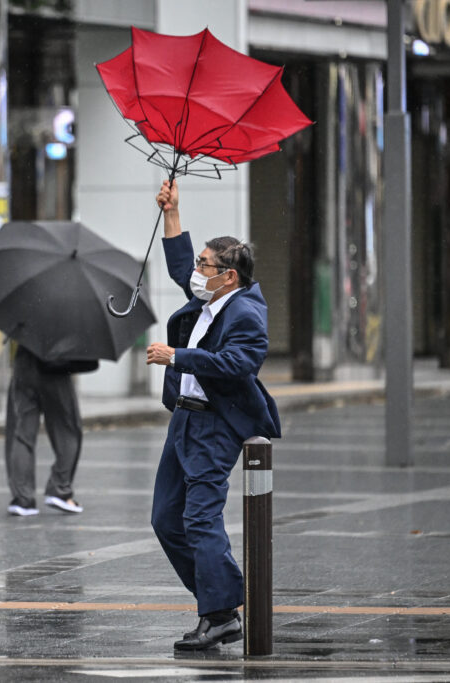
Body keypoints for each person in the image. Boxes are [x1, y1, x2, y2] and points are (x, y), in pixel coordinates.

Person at [144, 179, 281, 651]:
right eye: (202, 261)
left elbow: (238, 364)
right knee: (166, 518)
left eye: (207, 264)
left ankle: (220, 614)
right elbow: (181, 266)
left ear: (230, 276)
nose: (197, 272)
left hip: (214, 425)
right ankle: (221, 604)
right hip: (183, 418)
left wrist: (177, 357)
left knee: (200, 520)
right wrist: (172, 212)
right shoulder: (209, 296)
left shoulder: (246, 312)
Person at [4, 343, 97, 516]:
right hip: (56, 365)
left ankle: (22, 499)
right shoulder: (74, 315)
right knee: (68, 429)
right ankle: (59, 489)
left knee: (22, 433)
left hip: (25, 362)